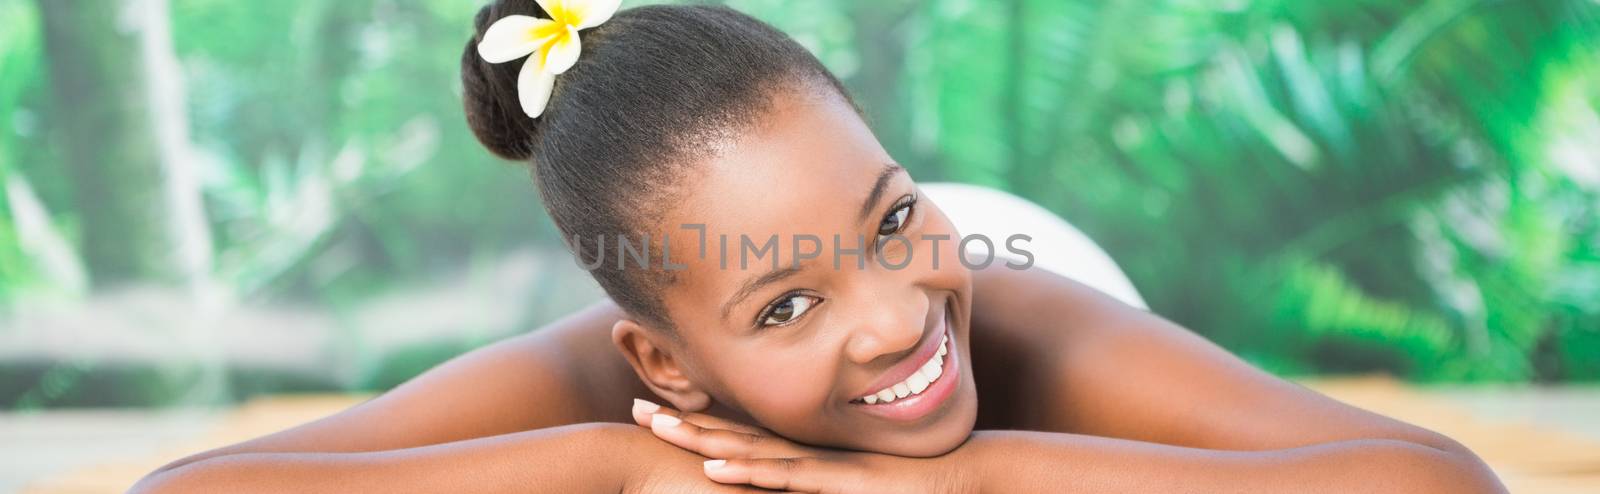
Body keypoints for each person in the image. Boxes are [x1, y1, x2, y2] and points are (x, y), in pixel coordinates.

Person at [133, 1, 1505, 492]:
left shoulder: (1010, 319)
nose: (895, 314)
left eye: (894, 214)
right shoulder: (621, 393)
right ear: (662, 362)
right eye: (787, 305)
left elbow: (1441, 486)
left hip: (1039, 265)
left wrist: (968, 482)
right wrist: (621, 467)